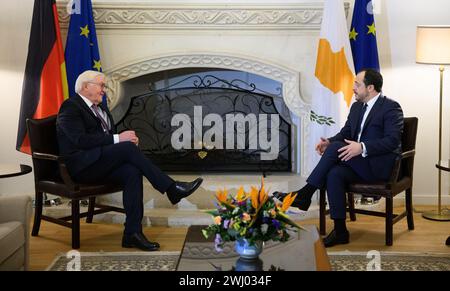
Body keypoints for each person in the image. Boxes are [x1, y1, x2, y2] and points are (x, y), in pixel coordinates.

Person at [56, 70, 203, 251]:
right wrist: (120, 139)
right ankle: (171, 188)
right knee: (126, 147)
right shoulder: (71, 107)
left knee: (132, 172)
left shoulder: (101, 109)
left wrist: (126, 140)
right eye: (102, 86)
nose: (104, 90)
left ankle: (132, 233)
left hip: (100, 163)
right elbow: (80, 140)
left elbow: (108, 138)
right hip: (81, 167)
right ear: (86, 87)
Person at [273, 69, 403, 247]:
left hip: (378, 167)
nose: (353, 88)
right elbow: (346, 133)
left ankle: (305, 193)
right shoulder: (357, 106)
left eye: (357, 84)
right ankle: (341, 231)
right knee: (334, 173)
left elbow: (392, 141)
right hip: (359, 165)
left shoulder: (391, 107)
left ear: (370, 87)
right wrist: (329, 142)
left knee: (335, 151)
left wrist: (362, 147)